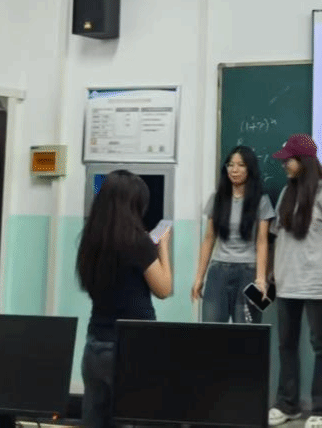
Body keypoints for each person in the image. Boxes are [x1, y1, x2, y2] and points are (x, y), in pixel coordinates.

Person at [76, 169, 173, 428]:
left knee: (95, 419)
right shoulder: (138, 242)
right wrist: (162, 247)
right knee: (130, 419)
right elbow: (164, 289)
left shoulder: (91, 240)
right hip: (132, 346)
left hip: (95, 345)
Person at [267, 133, 322, 428]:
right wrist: (271, 273)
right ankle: (287, 404)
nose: (284, 165)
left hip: (316, 282)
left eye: (288, 160)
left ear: (303, 161)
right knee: (286, 344)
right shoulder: (286, 193)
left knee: (321, 345)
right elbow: (277, 237)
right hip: (286, 282)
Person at [192, 145, 275, 323]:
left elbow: (262, 241)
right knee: (212, 329)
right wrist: (199, 277)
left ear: (250, 169)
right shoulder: (217, 199)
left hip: (248, 272)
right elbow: (209, 239)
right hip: (218, 271)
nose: (234, 170)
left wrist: (261, 279)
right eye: (230, 165)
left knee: (246, 331)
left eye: (240, 165)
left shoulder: (261, 200)